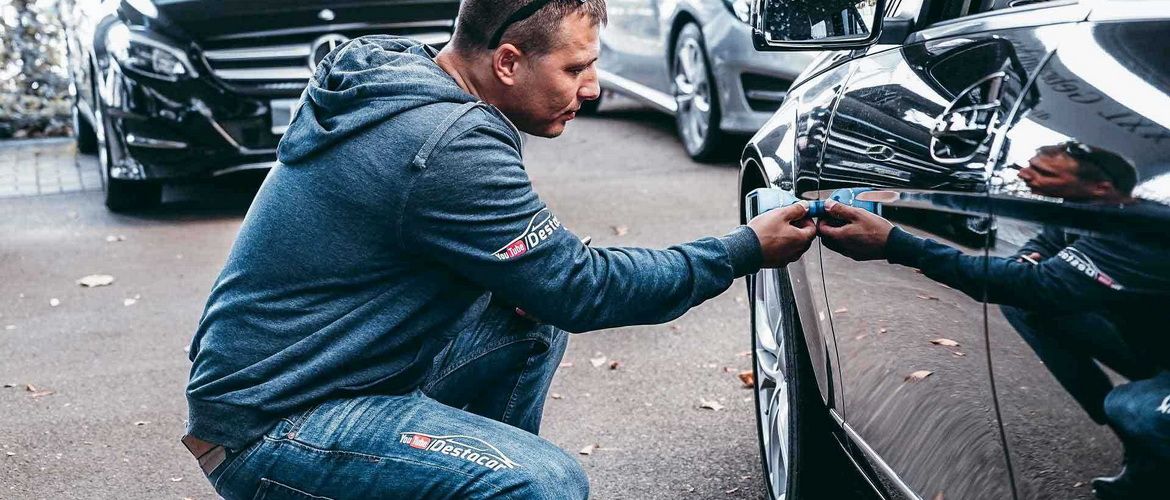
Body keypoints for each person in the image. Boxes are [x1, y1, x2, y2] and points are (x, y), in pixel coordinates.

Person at [180, 0, 817, 498]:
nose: (593, 88)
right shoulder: (445, 140)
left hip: (333, 374)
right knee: (542, 484)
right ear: (507, 62)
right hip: (274, 424)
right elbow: (583, 288)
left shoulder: (414, 83)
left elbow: (545, 282)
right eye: (574, 69)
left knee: (527, 318)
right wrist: (742, 250)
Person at [816, 141, 1170, 500]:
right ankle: (1138, 437)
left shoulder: (1139, 228)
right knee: (1024, 307)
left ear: (1101, 187)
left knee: (1130, 407)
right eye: (1028, 165)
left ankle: (1145, 428)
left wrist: (898, 244)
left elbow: (1036, 285)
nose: (1024, 174)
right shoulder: (1084, 209)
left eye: (1042, 172)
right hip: (1153, 346)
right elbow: (1040, 251)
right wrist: (1027, 263)